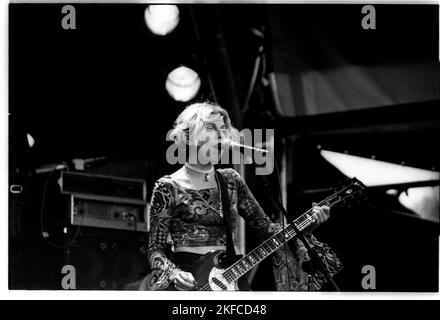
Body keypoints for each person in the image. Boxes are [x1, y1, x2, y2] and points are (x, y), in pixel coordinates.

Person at [145, 102, 342, 291]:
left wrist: (308, 225)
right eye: (213, 128)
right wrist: (174, 273)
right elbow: (155, 250)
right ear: (189, 136)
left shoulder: (231, 180)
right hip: (191, 283)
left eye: (223, 129)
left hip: (233, 281)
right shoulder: (168, 187)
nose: (222, 136)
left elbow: (268, 231)